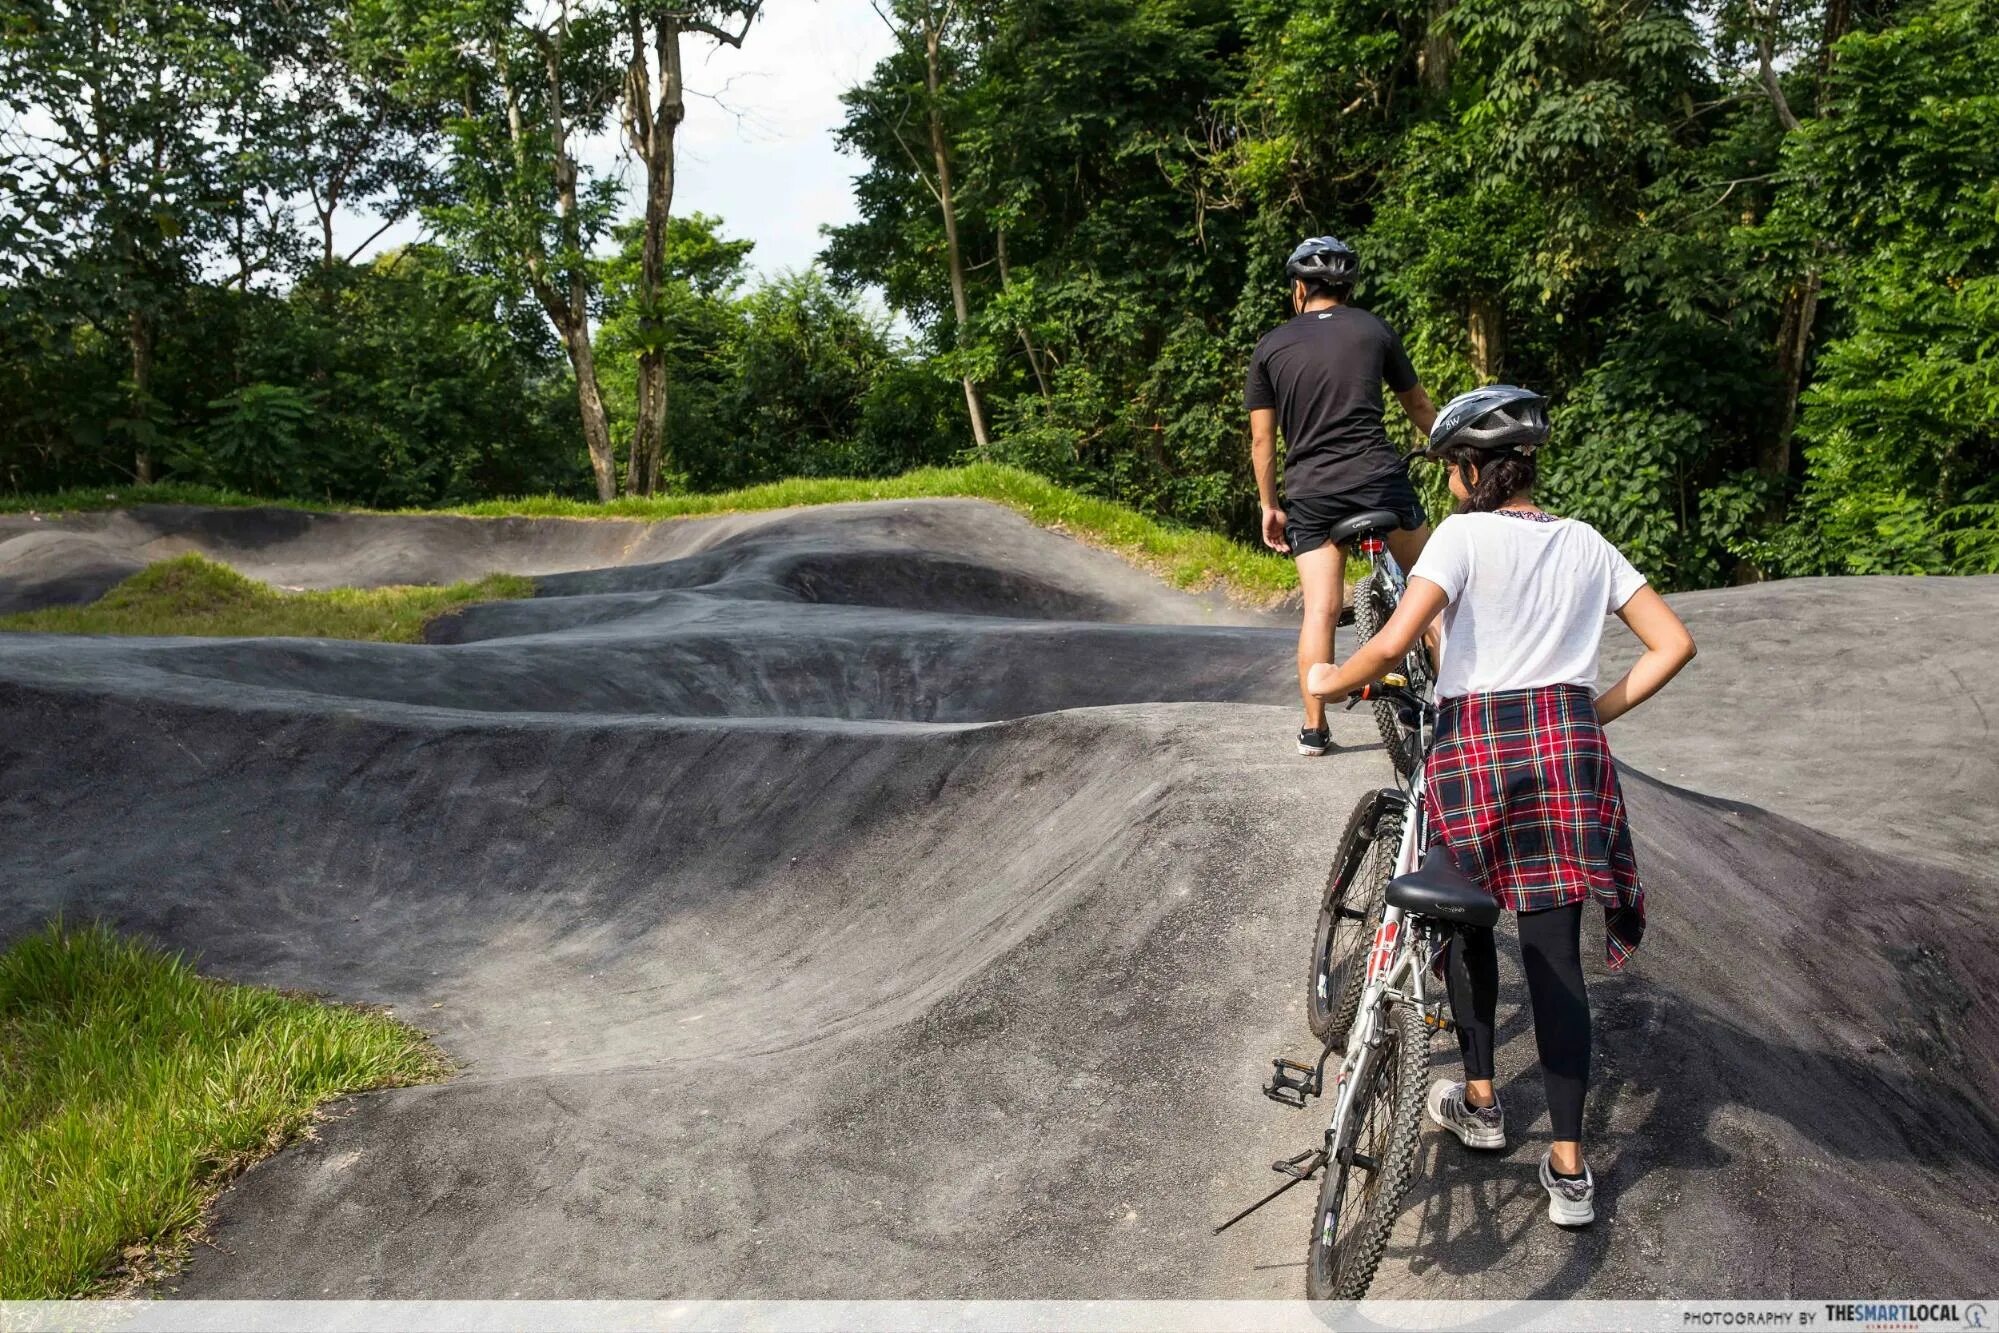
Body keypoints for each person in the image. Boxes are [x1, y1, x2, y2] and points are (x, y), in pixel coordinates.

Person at [1304, 384, 1696, 1227]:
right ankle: (1570, 1168)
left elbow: (1395, 639)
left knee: (1464, 924)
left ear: (1467, 470)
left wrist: (1329, 679)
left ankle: (1480, 1102)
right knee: (1554, 958)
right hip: (1564, 753)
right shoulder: (1586, 541)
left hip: (1476, 748)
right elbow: (1674, 643)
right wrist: (1587, 711)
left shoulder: (1461, 535)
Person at [1246, 236, 1440, 757]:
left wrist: (1270, 505)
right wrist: (1447, 447)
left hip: (1312, 493)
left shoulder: (1271, 346)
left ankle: (1314, 728)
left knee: (1321, 609)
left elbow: (1263, 441)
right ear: (1347, 289)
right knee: (1433, 590)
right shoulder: (1374, 329)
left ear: (1298, 290)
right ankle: (1457, 713)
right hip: (1380, 478)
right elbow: (1418, 404)